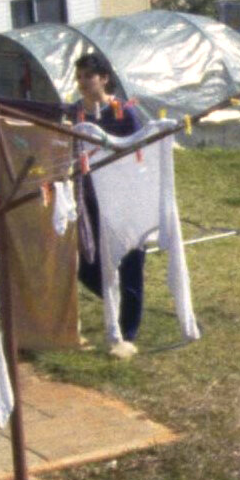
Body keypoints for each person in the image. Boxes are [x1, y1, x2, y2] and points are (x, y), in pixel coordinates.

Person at [71, 53, 147, 360]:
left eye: (88, 76)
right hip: (89, 199)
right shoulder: (76, 114)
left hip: (124, 197)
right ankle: (114, 300)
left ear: (103, 78)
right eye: (79, 77)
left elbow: (139, 151)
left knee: (131, 263)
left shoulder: (123, 113)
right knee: (86, 263)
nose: (82, 83)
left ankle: (128, 333)